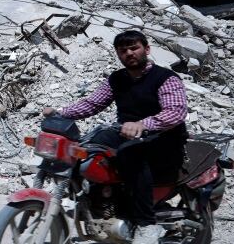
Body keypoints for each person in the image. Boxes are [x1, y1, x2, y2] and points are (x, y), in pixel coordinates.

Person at [43, 30, 188, 244]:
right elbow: (92, 104)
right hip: (127, 132)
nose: (129, 53)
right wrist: (60, 112)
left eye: (134, 48)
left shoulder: (165, 78)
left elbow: (175, 112)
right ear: (118, 54)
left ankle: (146, 224)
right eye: (123, 50)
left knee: (131, 154)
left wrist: (142, 124)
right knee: (83, 148)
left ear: (146, 49)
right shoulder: (118, 79)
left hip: (165, 137)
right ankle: (99, 203)